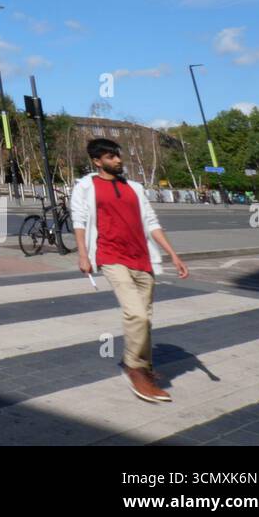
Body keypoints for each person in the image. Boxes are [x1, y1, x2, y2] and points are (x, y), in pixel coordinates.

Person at [72, 138, 189, 404]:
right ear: (97, 161)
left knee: (145, 318)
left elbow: (151, 222)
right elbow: (79, 220)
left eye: (118, 156)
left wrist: (173, 254)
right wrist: (82, 254)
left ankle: (143, 366)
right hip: (111, 257)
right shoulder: (86, 187)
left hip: (143, 259)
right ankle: (135, 368)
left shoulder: (134, 187)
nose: (118, 160)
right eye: (111, 157)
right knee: (135, 314)